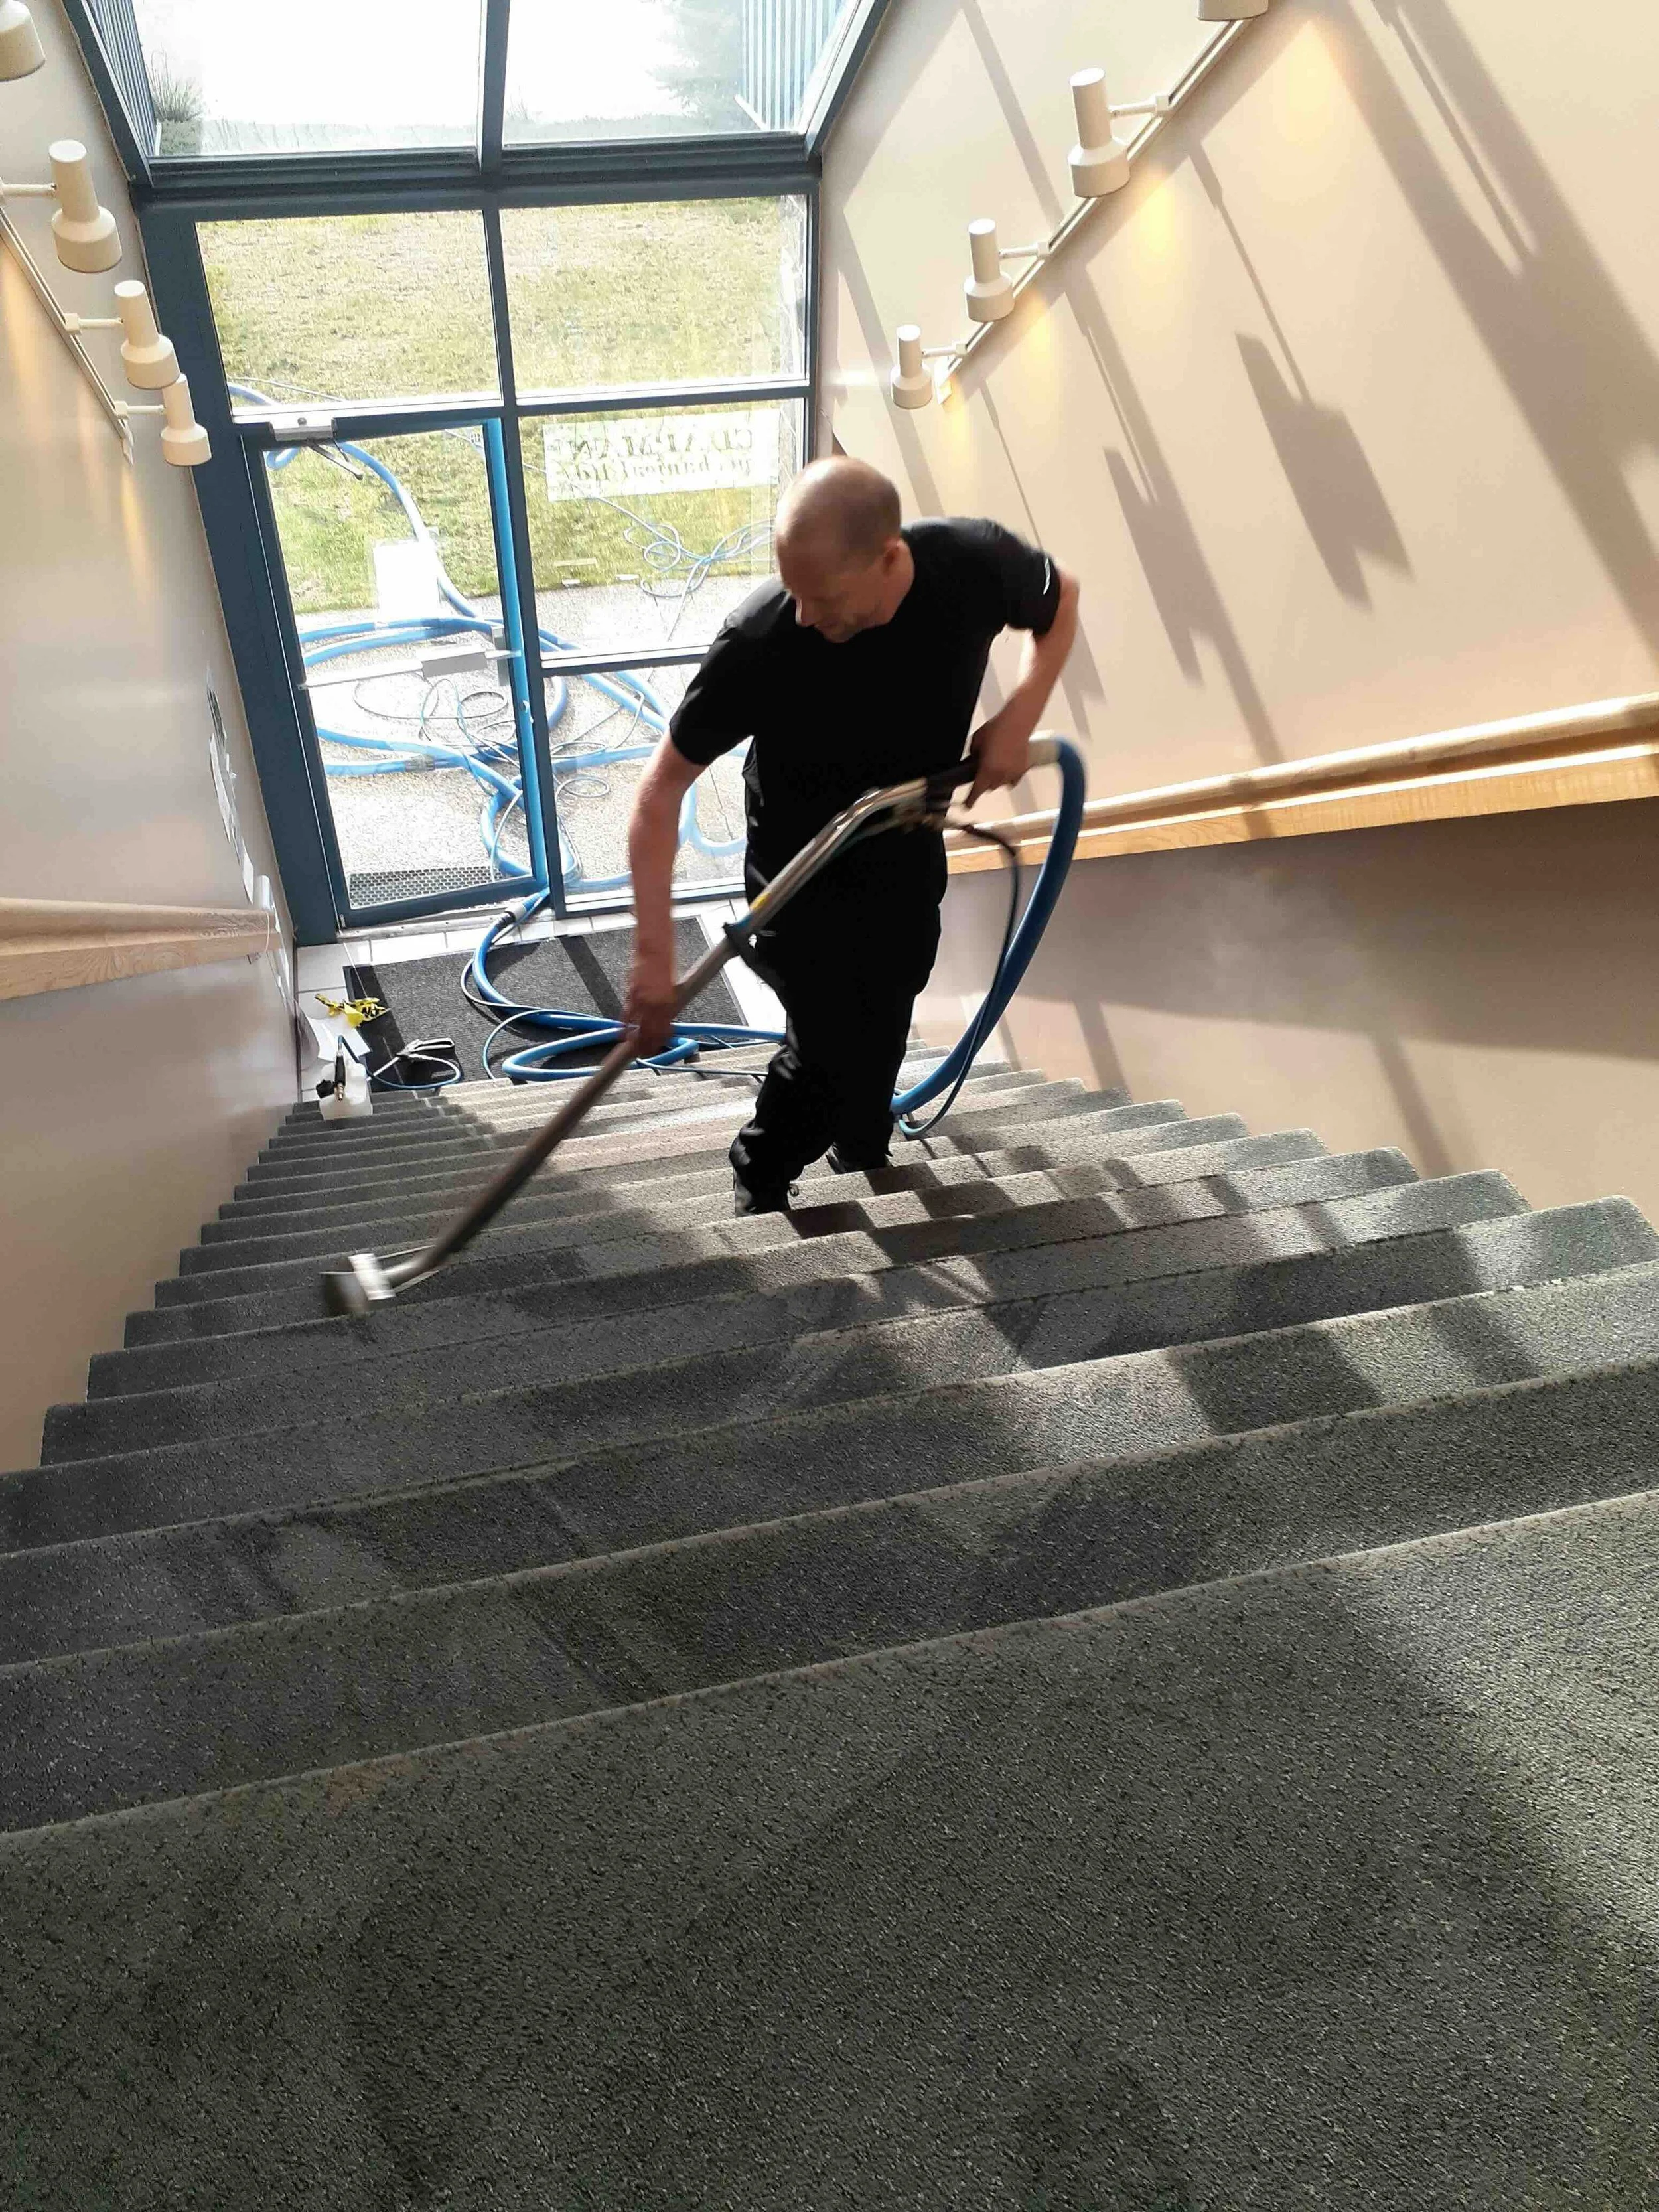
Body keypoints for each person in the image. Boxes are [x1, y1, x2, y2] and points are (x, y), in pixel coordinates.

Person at [622, 456, 1080, 1214]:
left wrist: (1021, 713)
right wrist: (651, 957)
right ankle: (761, 1172)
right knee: (829, 1045)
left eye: (824, 596)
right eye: (794, 592)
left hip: (901, 843)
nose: (805, 614)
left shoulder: (971, 563)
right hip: (796, 872)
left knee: (896, 993)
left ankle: (864, 1140)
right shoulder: (761, 640)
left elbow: (1060, 597)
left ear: (889, 558)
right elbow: (659, 791)